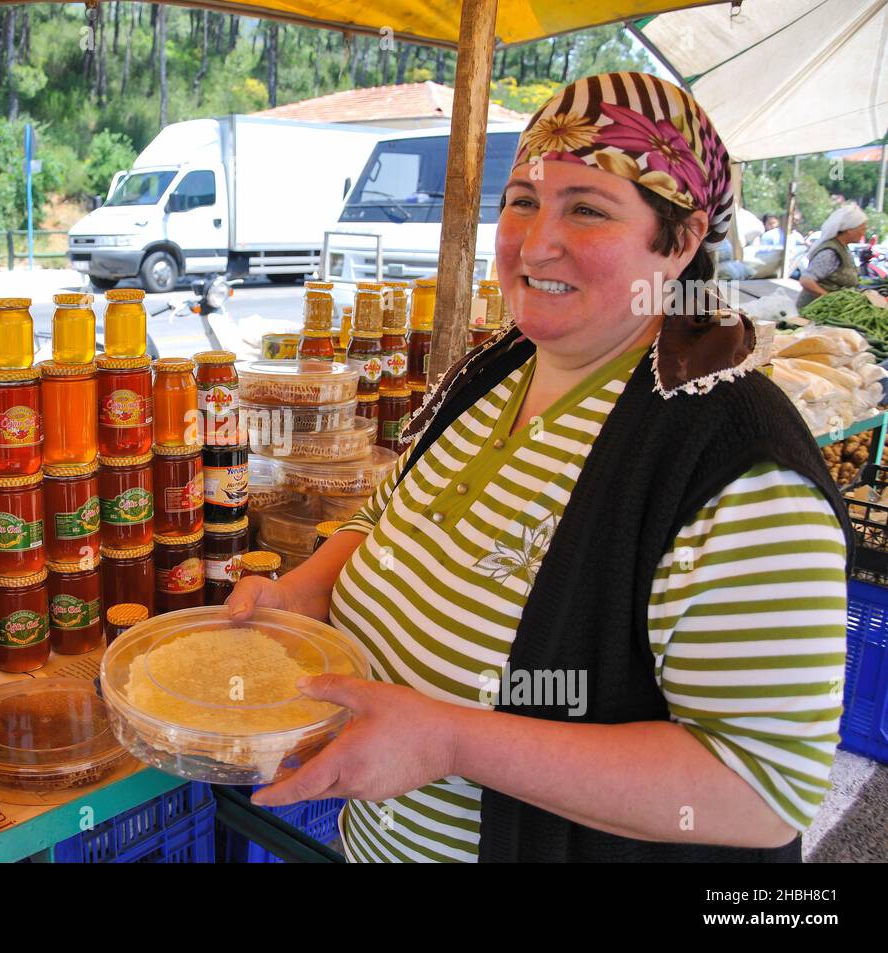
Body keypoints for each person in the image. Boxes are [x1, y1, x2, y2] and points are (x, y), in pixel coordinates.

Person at [229, 71, 852, 863]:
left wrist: (454, 741)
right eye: (523, 198)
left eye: (587, 208)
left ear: (683, 239)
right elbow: (383, 515)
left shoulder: (730, 456)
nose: (536, 241)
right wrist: (298, 593)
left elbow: (762, 790)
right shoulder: (497, 367)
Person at [797, 204, 868, 309]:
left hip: (829, 310)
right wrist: (829, 298)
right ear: (849, 230)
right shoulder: (830, 252)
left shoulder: (843, 248)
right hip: (815, 310)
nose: (863, 233)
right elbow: (806, 280)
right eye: (862, 229)